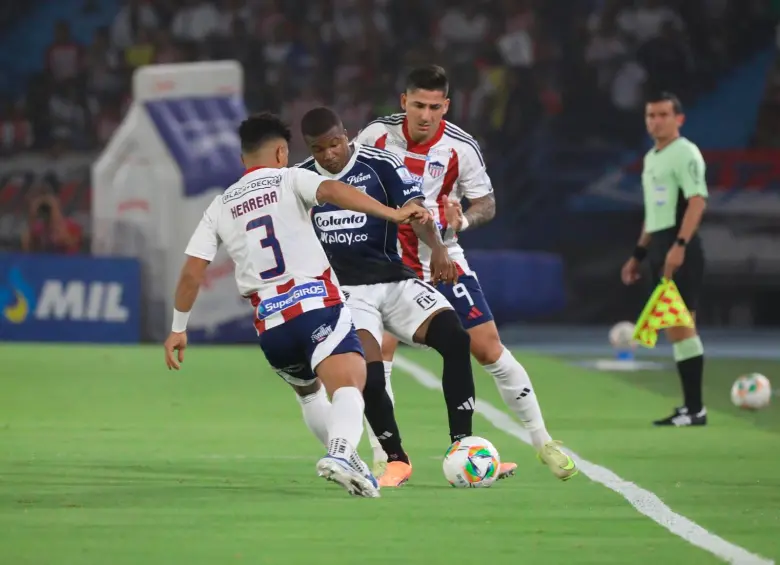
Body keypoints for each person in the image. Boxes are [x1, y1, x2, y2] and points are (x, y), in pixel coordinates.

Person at [162, 112, 429, 497]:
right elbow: (334, 192)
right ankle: (340, 453)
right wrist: (391, 212)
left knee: (309, 393)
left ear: (243, 160)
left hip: (271, 325)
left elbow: (191, 273)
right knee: (352, 382)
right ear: (282, 152)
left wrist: (178, 327)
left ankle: (350, 464)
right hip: (315, 304)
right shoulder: (291, 177)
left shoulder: (220, 205)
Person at [355, 65, 578, 481]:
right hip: (387, 264)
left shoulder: (461, 147)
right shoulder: (374, 138)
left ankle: (542, 441)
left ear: (447, 107)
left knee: (488, 348)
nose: (425, 115)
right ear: (403, 102)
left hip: (445, 260)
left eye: (434, 107)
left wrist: (464, 221)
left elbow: (486, 203)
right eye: (418, 105)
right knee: (378, 351)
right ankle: (384, 457)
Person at [298, 106, 516, 486]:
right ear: (309, 148)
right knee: (369, 371)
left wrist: (441, 248)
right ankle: (396, 459)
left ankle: (462, 443)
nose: (329, 154)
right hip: (347, 293)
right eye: (319, 149)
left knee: (455, 337)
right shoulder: (300, 179)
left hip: (394, 281)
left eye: (334, 144)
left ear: (345, 135)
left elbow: (416, 212)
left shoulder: (380, 164)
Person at [621, 92, 708, 427]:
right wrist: (638, 254)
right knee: (677, 329)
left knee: (683, 327)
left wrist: (680, 245)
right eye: (650, 115)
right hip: (660, 244)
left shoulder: (685, 153)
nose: (655, 121)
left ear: (679, 119)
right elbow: (653, 213)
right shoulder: (652, 157)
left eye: (662, 115)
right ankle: (691, 407)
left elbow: (697, 202)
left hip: (678, 244)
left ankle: (695, 409)